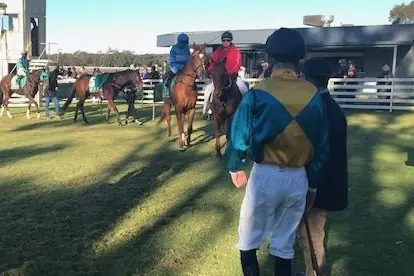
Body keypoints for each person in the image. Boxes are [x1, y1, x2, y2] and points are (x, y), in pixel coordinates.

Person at [224, 28, 329, 276]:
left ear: (269, 59)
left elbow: (239, 133)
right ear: (299, 59)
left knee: (248, 239)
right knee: (284, 244)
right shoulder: (314, 95)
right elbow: (321, 146)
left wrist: (235, 166)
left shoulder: (258, 92)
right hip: (298, 179)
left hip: (265, 176)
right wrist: (312, 185)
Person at [295, 58, 348, 276]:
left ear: (308, 79)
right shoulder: (332, 107)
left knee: (312, 238)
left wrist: (311, 188)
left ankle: (315, 273)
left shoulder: (318, 109)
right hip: (322, 182)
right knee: (308, 237)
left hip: (317, 185)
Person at [202, 31, 249, 118]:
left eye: (227, 40)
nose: (225, 42)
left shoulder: (236, 52)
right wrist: (210, 70)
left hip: (233, 76)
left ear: (231, 41)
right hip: (219, 78)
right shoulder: (217, 52)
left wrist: (229, 73)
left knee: (244, 89)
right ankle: (206, 110)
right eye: (223, 40)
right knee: (208, 90)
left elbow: (237, 64)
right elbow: (212, 63)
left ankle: (245, 110)